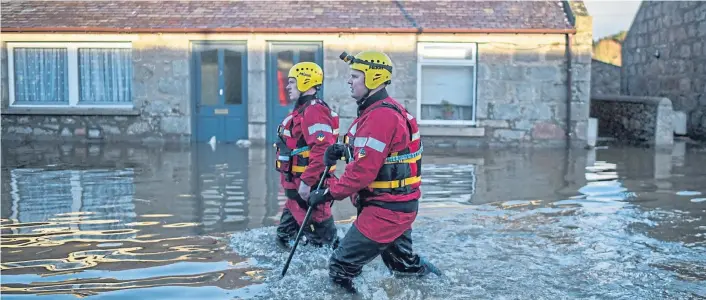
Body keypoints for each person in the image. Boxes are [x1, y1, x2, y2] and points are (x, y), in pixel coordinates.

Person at [307, 51, 442, 293]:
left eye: (355, 76)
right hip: (395, 205)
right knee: (403, 266)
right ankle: (443, 287)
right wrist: (342, 150)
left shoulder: (380, 116)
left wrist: (327, 193)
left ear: (373, 78)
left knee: (340, 266)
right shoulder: (379, 111)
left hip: (386, 210)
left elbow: (363, 172)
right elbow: (376, 155)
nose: (350, 81)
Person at [274, 61, 340, 249]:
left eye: (292, 82)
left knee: (325, 244)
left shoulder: (314, 111)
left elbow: (322, 149)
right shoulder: (303, 110)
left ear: (305, 82)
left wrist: (307, 182)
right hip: (295, 190)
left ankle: (344, 269)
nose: (287, 86)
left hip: (306, 190)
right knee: (283, 239)